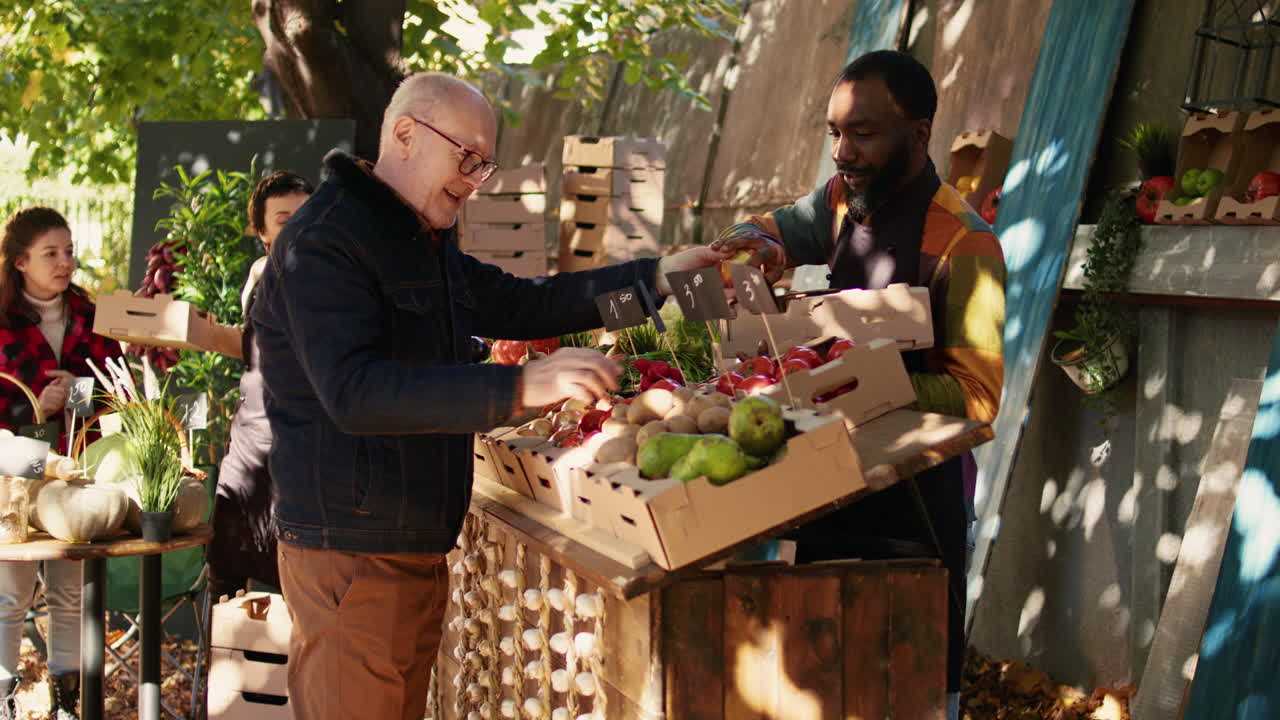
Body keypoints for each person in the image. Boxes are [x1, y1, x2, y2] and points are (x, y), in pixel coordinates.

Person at [250, 71, 729, 720]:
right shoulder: (326, 239)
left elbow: (528, 305)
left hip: (404, 542)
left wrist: (657, 281)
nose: (475, 180)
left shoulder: (417, 239)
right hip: (352, 550)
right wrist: (521, 385)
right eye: (466, 158)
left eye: (485, 164)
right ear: (405, 135)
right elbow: (355, 393)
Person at [711, 50, 1007, 719]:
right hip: (831, 488)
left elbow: (977, 397)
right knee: (824, 678)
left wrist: (858, 379)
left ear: (920, 132)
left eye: (863, 133)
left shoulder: (967, 245)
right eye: (834, 133)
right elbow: (770, 229)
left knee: (910, 689)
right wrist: (754, 244)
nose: (842, 152)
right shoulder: (843, 200)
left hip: (916, 510)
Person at [0, 206, 123, 720]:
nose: (65, 262)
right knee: (9, 596)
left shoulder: (95, 315)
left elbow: (118, 393)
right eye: (51, 253)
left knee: (70, 593)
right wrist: (36, 406)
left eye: (69, 251)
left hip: (78, 467)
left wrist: (80, 396)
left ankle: (66, 706)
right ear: (21, 261)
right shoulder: (1, 320)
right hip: (14, 471)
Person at [205, 170, 314, 598]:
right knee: (227, 567)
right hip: (250, 438)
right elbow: (256, 348)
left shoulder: (329, 279)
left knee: (291, 578)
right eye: (285, 219)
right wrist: (206, 334)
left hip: (297, 443)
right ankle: (226, 659)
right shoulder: (259, 272)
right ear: (262, 231)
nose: (299, 227)